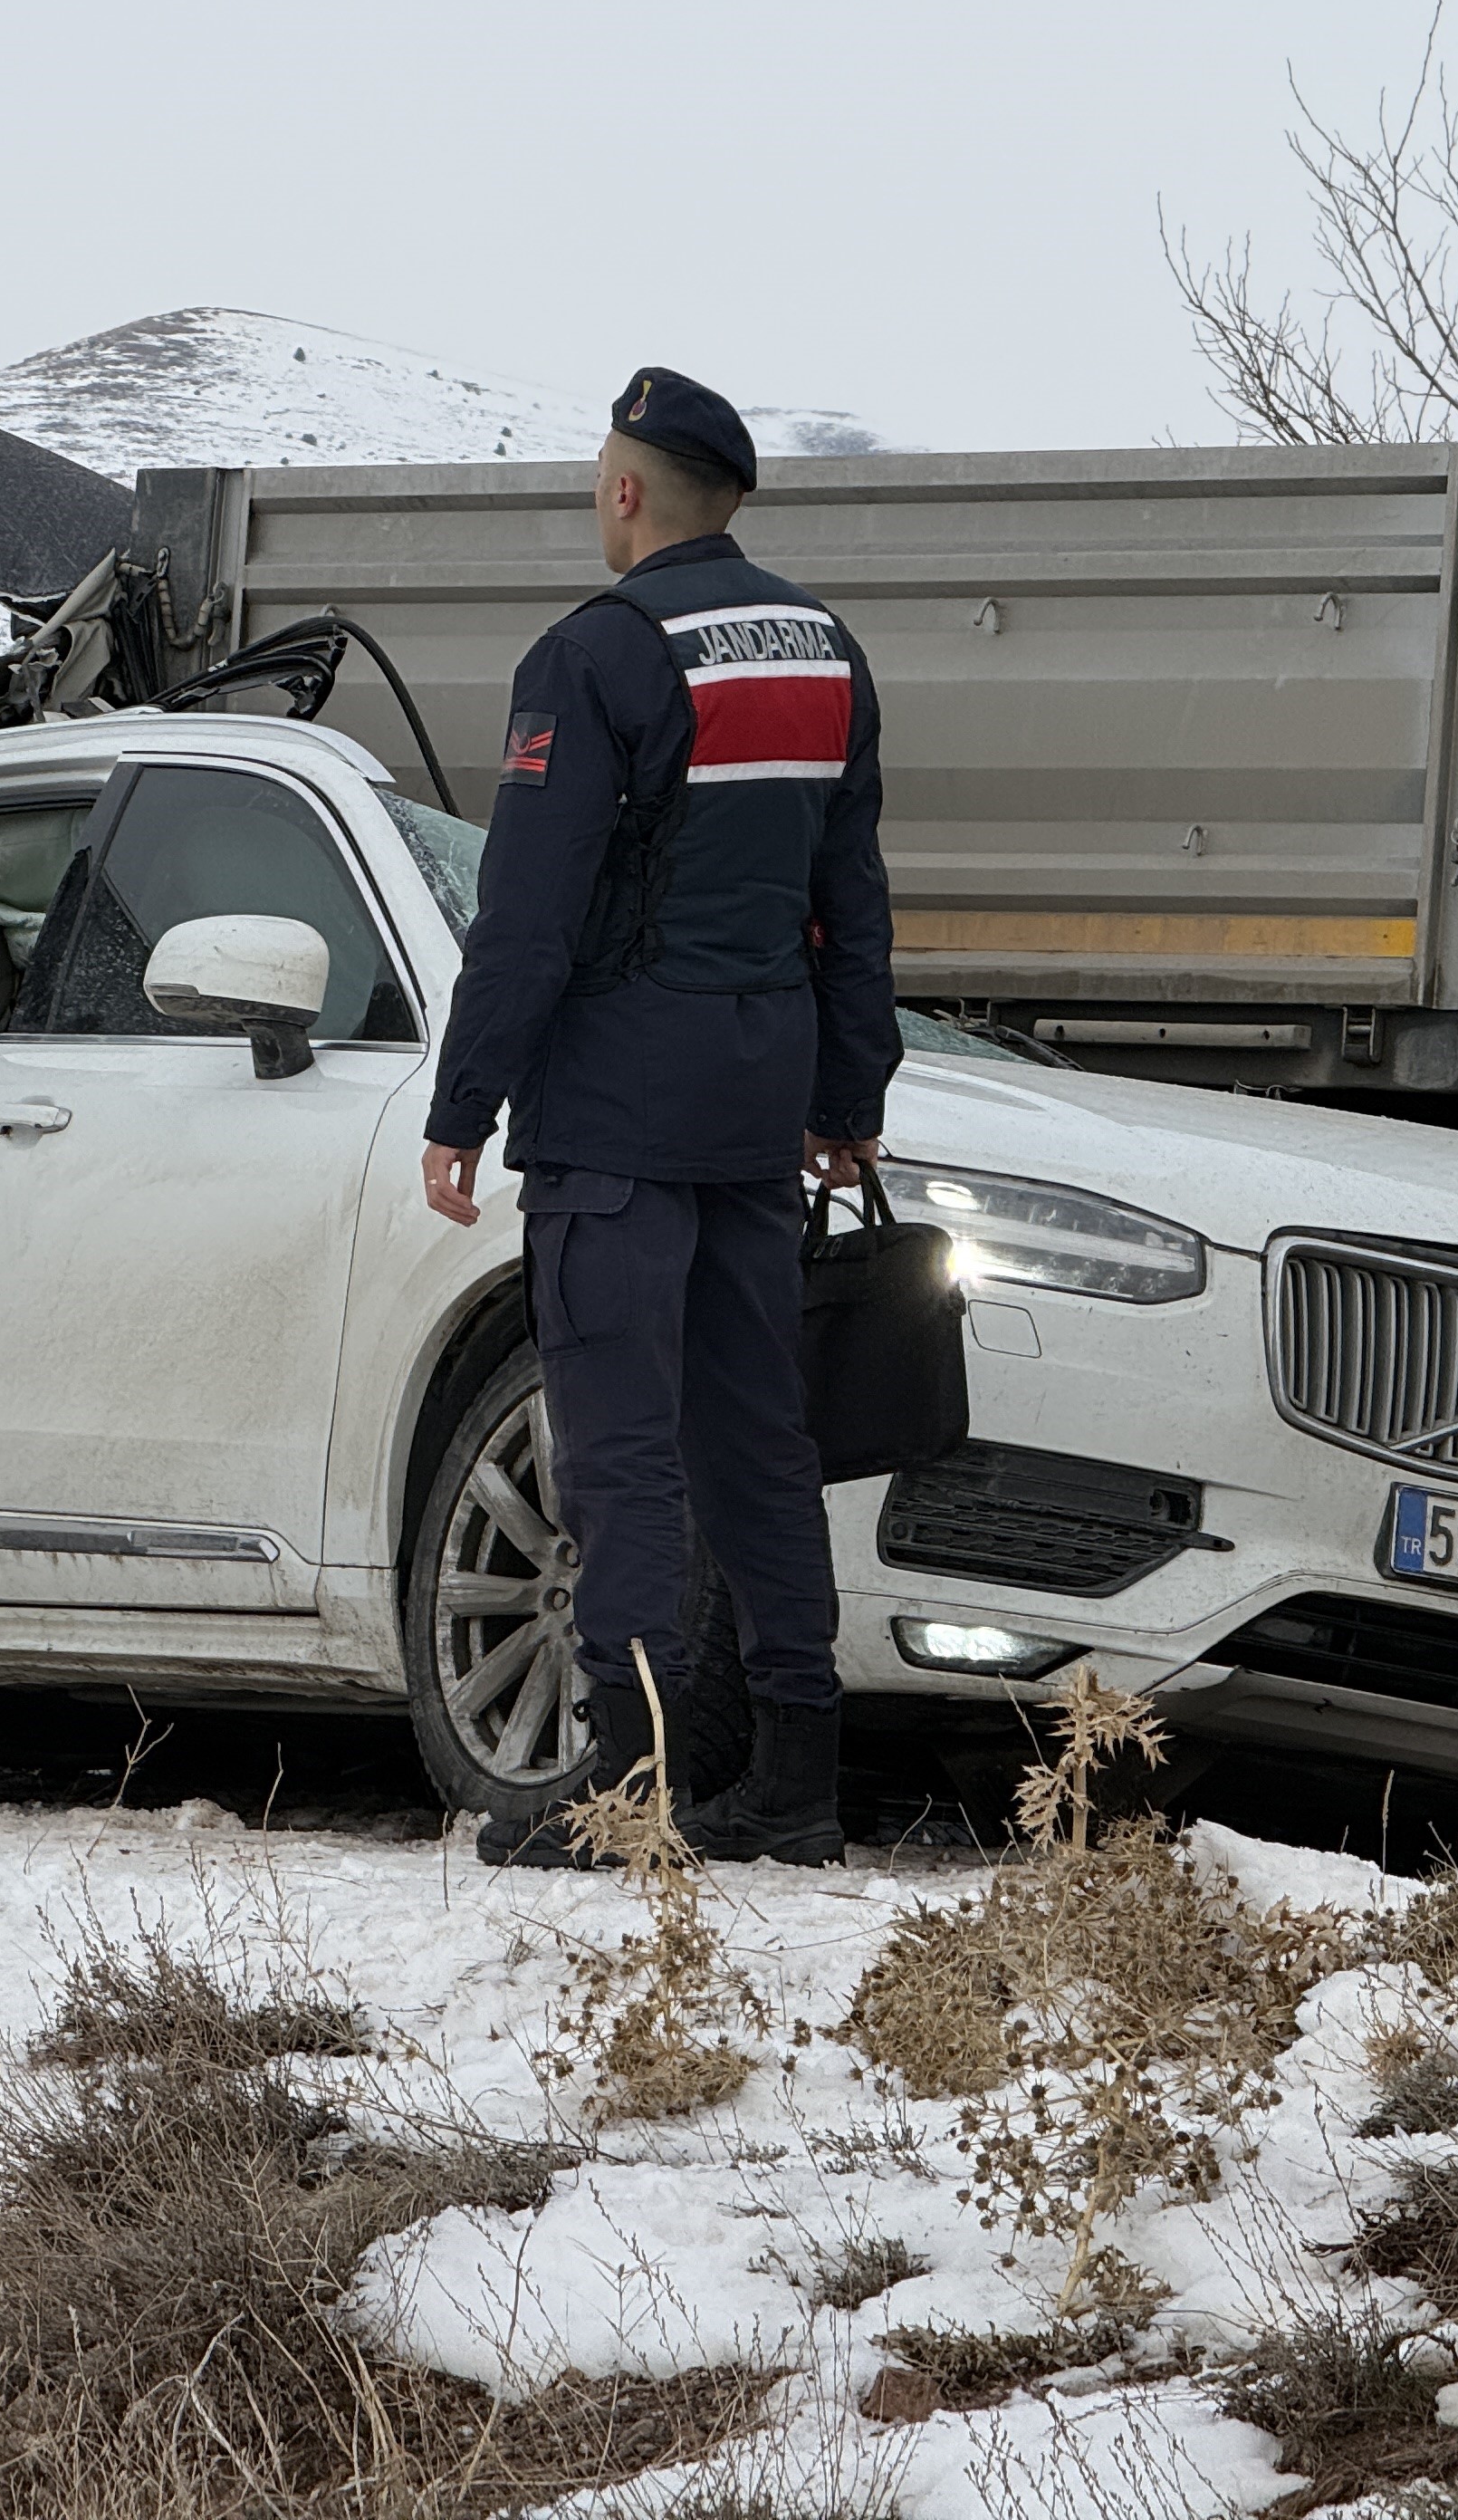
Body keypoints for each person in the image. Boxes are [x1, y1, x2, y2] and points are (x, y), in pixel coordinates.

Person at [420, 368, 897, 1871]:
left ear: (627, 492)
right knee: (759, 1439)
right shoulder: (824, 652)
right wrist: (848, 1094)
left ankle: (621, 1785)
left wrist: (462, 1099)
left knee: (621, 1445)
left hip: (618, 1111)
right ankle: (794, 1772)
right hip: (757, 1110)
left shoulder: (598, 654)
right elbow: (852, 903)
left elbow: (530, 912)